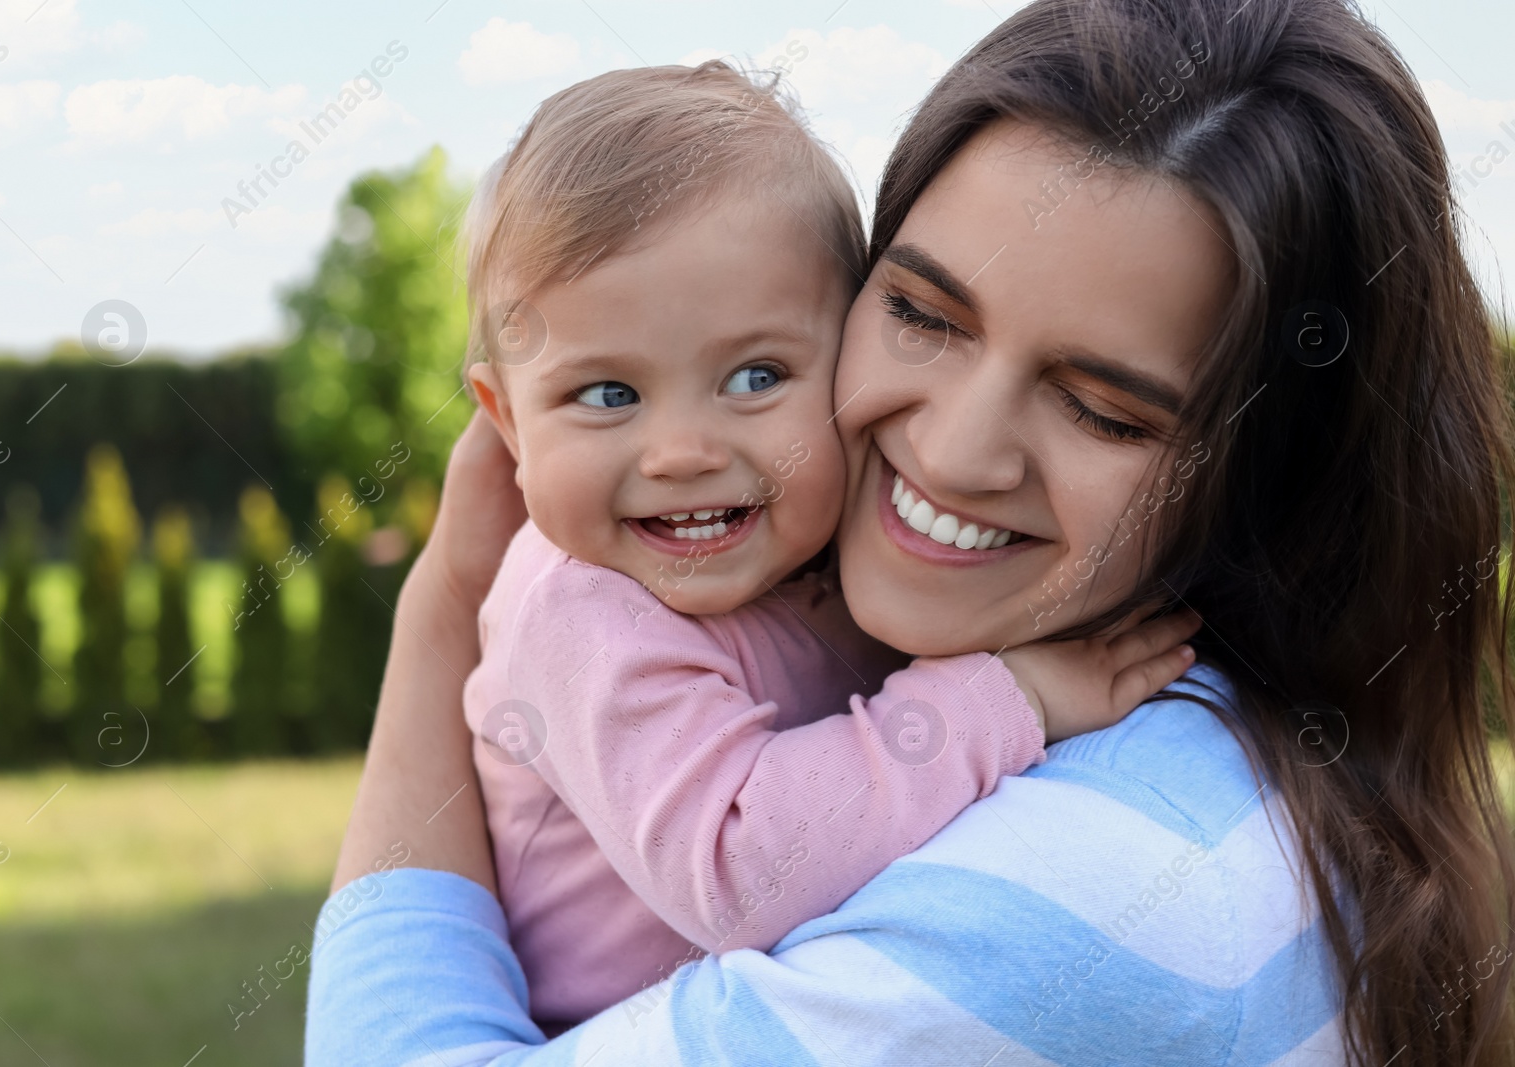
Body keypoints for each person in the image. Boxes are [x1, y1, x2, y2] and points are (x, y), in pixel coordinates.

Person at [307, 0, 1515, 1063]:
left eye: (1101, 407)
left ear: (1269, 471)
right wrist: (454, 599)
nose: (946, 452)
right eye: (924, 314)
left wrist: (439, 610)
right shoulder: (1237, 756)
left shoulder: (1095, 904)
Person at [456, 61, 1199, 1027]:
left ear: (844, 343)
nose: (683, 453)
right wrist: (1010, 698)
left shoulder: (820, 560)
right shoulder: (578, 609)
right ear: (507, 421)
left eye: (757, 375)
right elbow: (737, 871)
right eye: (607, 395)